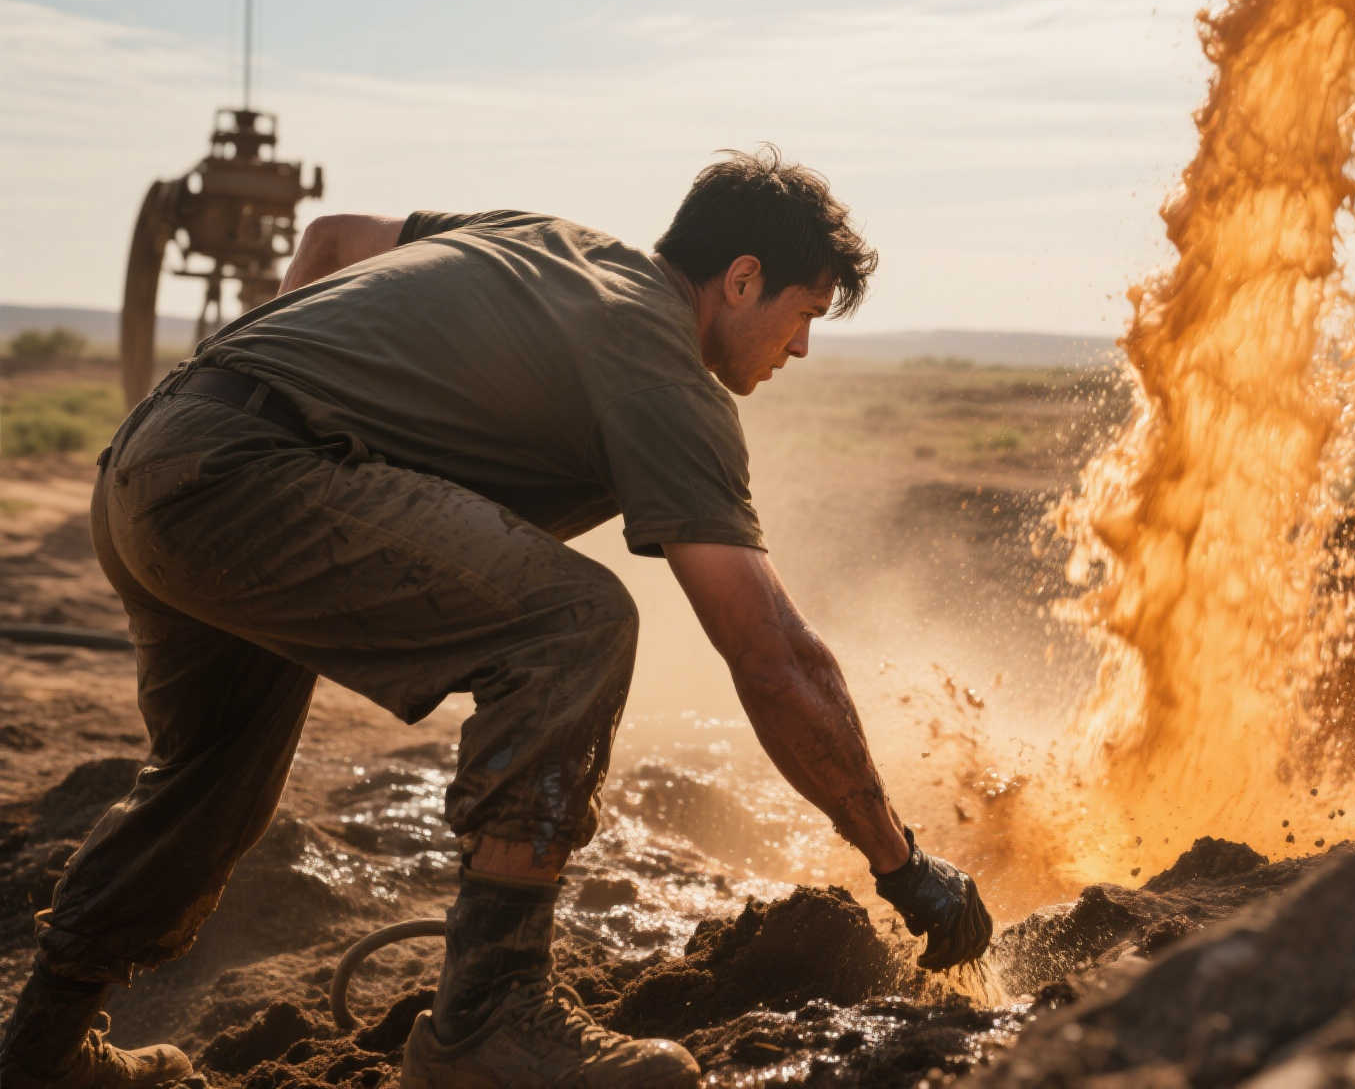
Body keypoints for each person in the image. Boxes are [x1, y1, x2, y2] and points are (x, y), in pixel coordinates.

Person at [0, 147, 993, 1088]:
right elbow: (770, 653)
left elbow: (336, 238)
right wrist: (899, 865)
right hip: (250, 481)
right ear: (740, 279)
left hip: (152, 462)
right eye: (803, 312)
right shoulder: (662, 371)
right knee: (575, 624)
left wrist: (250, 387)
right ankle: (488, 1013)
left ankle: (44, 1046)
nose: (803, 347)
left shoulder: (544, 239)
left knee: (212, 780)